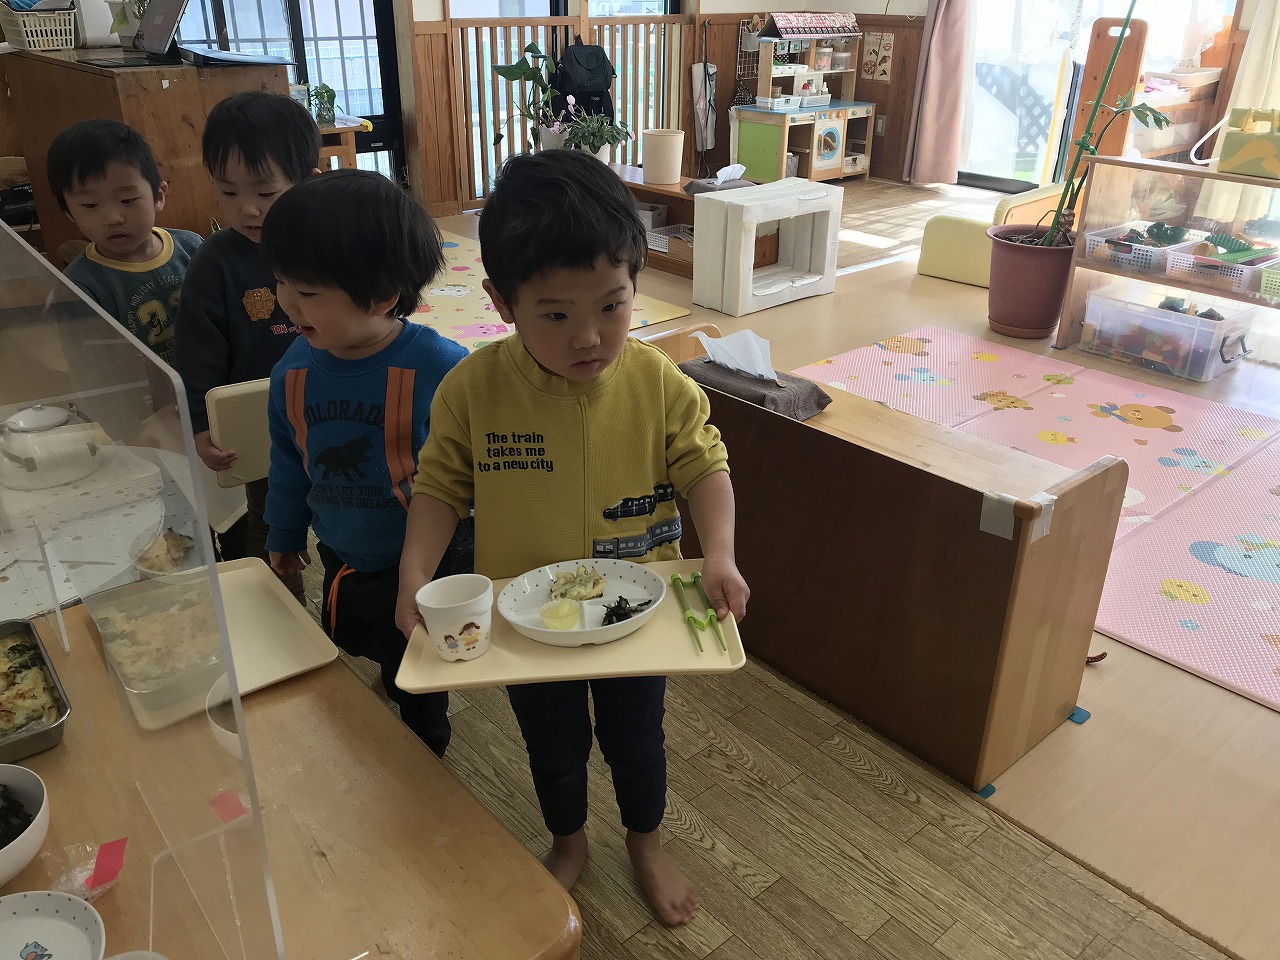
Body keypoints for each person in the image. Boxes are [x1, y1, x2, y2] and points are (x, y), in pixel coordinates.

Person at [395, 150, 750, 925]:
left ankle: (646, 843)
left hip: (639, 611)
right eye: (555, 315)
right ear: (501, 302)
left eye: (612, 307)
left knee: (637, 741)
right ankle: (569, 840)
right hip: (527, 620)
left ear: (635, 283)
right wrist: (414, 572)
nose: (588, 337)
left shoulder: (657, 381)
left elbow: (705, 465)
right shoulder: (473, 389)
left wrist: (719, 552)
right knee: (553, 747)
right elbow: (439, 486)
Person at [261, 169, 470, 757]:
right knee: (365, 637)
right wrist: (283, 533)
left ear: (380, 298)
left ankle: (426, 753)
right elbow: (289, 461)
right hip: (343, 549)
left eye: (308, 292)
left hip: (425, 560)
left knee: (419, 676)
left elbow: (476, 470)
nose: (286, 301)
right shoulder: (292, 371)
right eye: (281, 281)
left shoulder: (443, 368)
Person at [175, 91, 321, 591]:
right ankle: (281, 610)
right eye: (228, 192)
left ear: (307, 182)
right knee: (269, 521)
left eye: (266, 192)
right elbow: (197, 353)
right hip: (258, 425)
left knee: (347, 507)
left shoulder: (328, 244)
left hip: (332, 405)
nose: (248, 208)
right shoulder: (214, 261)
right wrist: (202, 425)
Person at [48, 119, 202, 369]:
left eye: (127, 200)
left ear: (158, 196)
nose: (113, 218)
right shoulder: (79, 288)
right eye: (90, 205)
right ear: (69, 213)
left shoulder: (193, 248)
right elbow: (91, 372)